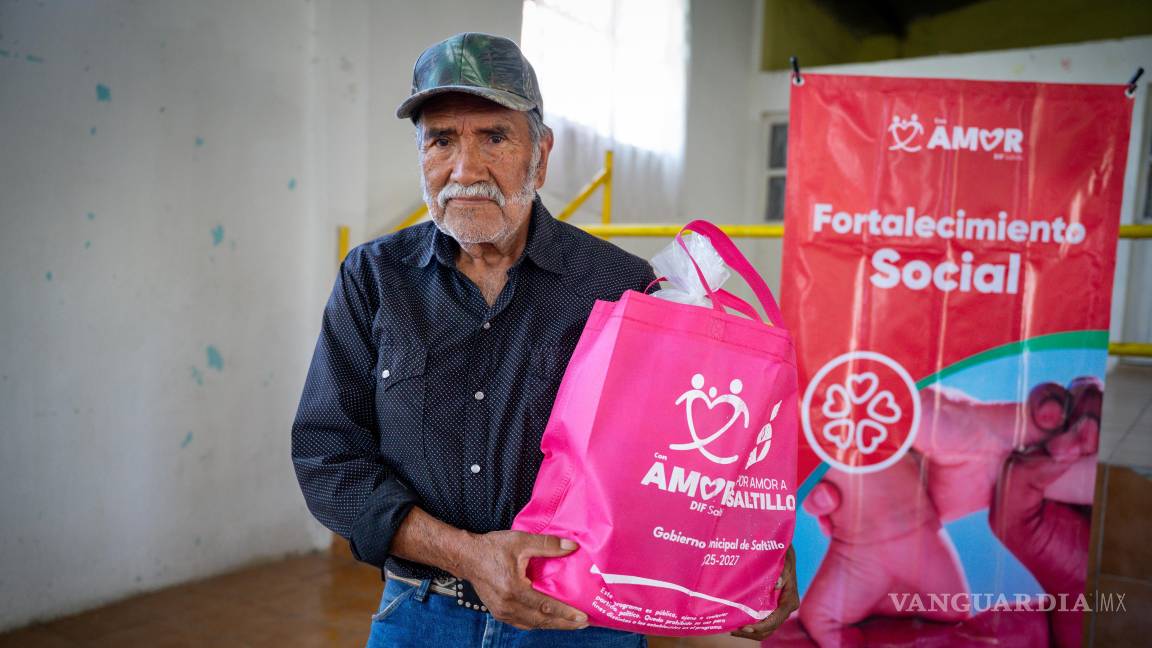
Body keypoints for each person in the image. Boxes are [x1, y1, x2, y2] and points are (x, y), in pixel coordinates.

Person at [291, 33, 797, 647]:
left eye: (494, 138)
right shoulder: (373, 277)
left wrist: (748, 545)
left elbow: (681, 458)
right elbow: (327, 457)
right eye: (442, 140)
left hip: (580, 622)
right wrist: (466, 554)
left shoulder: (619, 286)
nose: (465, 170)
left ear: (541, 153)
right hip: (420, 615)